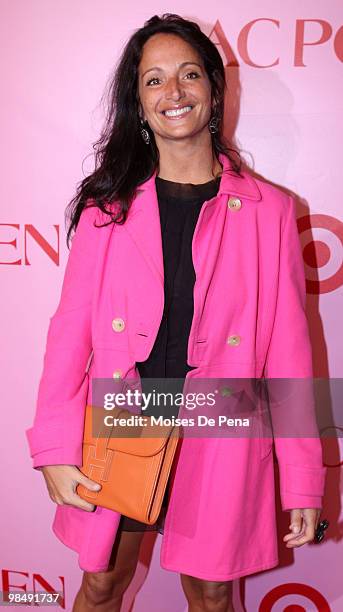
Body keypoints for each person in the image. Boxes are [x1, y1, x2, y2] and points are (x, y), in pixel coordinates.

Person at [26, 13, 327, 612]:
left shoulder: (270, 212)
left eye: (189, 74)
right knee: (103, 582)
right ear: (138, 102)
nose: (174, 92)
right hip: (126, 414)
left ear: (214, 90)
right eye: (154, 80)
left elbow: (290, 351)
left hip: (223, 422)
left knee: (214, 594)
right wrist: (55, 449)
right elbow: (69, 335)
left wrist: (302, 479)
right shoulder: (105, 208)